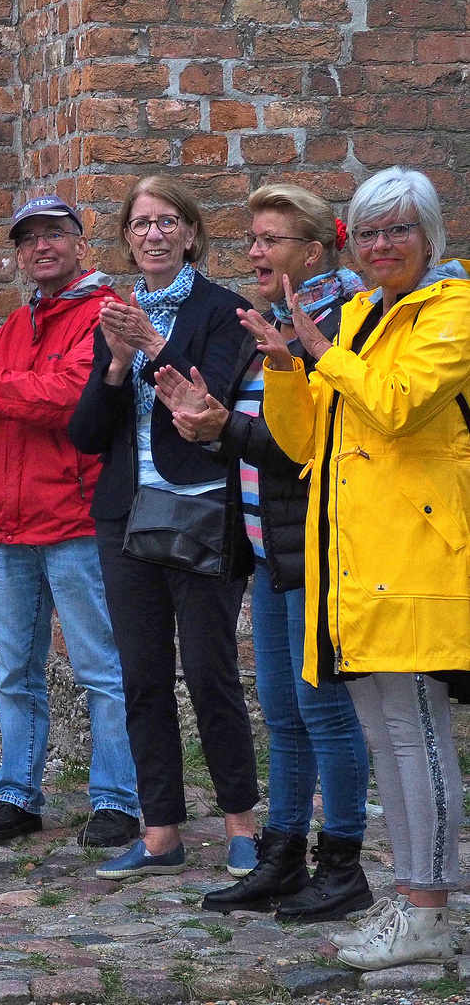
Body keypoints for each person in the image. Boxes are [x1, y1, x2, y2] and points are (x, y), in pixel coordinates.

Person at [251, 167, 470, 970]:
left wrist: (320, 348)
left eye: (398, 230)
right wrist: (284, 365)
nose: (382, 246)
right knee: (386, 734)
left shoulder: (453, 310)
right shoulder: (367, 320)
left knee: (417, 736)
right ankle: (410, 897)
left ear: (431, 236)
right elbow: (308, 441)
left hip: (417, 560)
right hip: (357, 563)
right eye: (369, 232)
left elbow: (401, 402)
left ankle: (432, 910)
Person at [155, 183, 371, 923]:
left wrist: (223, 429)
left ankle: (342, 864)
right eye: (250, 238)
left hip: (317, 550)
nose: (251, 251)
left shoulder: (339, 327)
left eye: (269, 240)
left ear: (311, 252)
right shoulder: (270, 323)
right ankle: (283, 855)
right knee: (281, 711)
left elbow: (307, 448)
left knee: (326, 713)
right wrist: (202, 414)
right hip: (266, 549)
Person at [66, 173, 260, 881]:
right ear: (126, 236)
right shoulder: (115, 318)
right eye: (140, 223)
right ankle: (160, 832)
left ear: (190, 233)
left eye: (167, 221)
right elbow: (86, 435)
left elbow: (200, 407)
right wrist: (116, 364)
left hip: (204, 514)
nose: (153, 234)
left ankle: (242, 825)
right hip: (126, 517)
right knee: (143, 677)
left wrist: (149, 342)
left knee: (211, 675)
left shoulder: (221, 312)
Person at [0, 195, 140, 849]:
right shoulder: (16, 323)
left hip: (73, 520)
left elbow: (73, 399)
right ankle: (18, 796)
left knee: (99, 668)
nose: (42, 247)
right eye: (30, 239)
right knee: (16, 672)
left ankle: (117, 800)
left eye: (55, 234)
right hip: (11, 524)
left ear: (80, 244)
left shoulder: (103, 315)